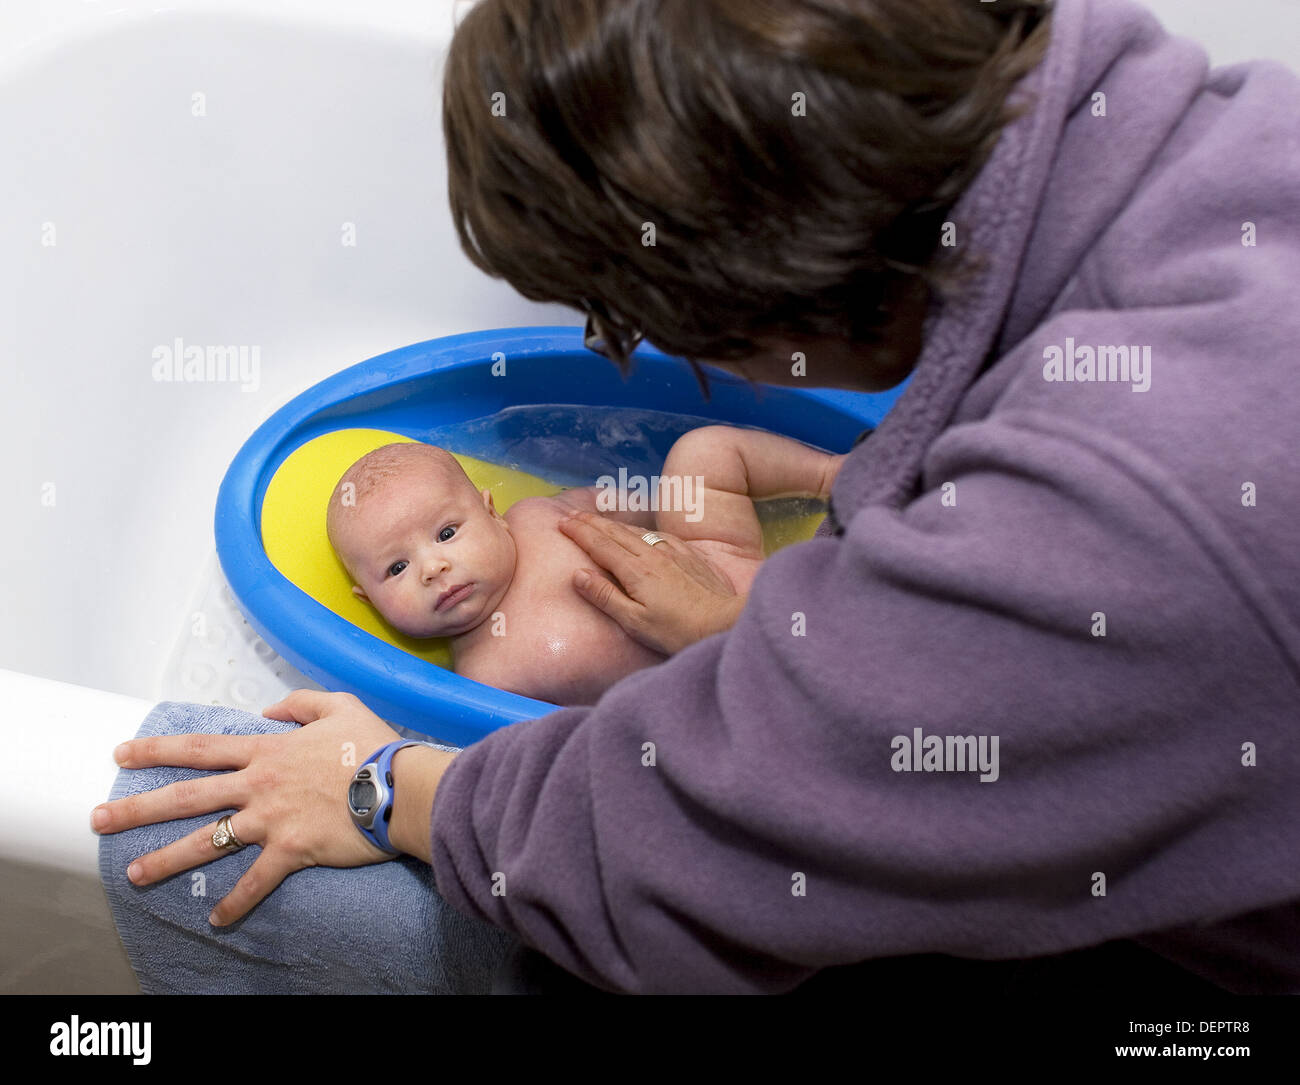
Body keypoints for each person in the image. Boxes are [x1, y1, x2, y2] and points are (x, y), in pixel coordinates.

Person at [93, 0, 1300, 994]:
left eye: (632, 319)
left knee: (165, 824)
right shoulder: (1235, 143)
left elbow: (673, 845)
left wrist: (376, 781)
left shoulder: (1113, 508)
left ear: (745, 295)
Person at [326, 432, 844, 704]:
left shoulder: (535, 515)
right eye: (396, 568)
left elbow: (624, 501)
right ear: (367, 599)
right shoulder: (486, 678)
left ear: (491, 512)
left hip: (714, 551)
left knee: (702, 454)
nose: (433, 567)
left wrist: (672, 513)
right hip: (732, 676)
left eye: (445, 534)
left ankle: (833, 475)